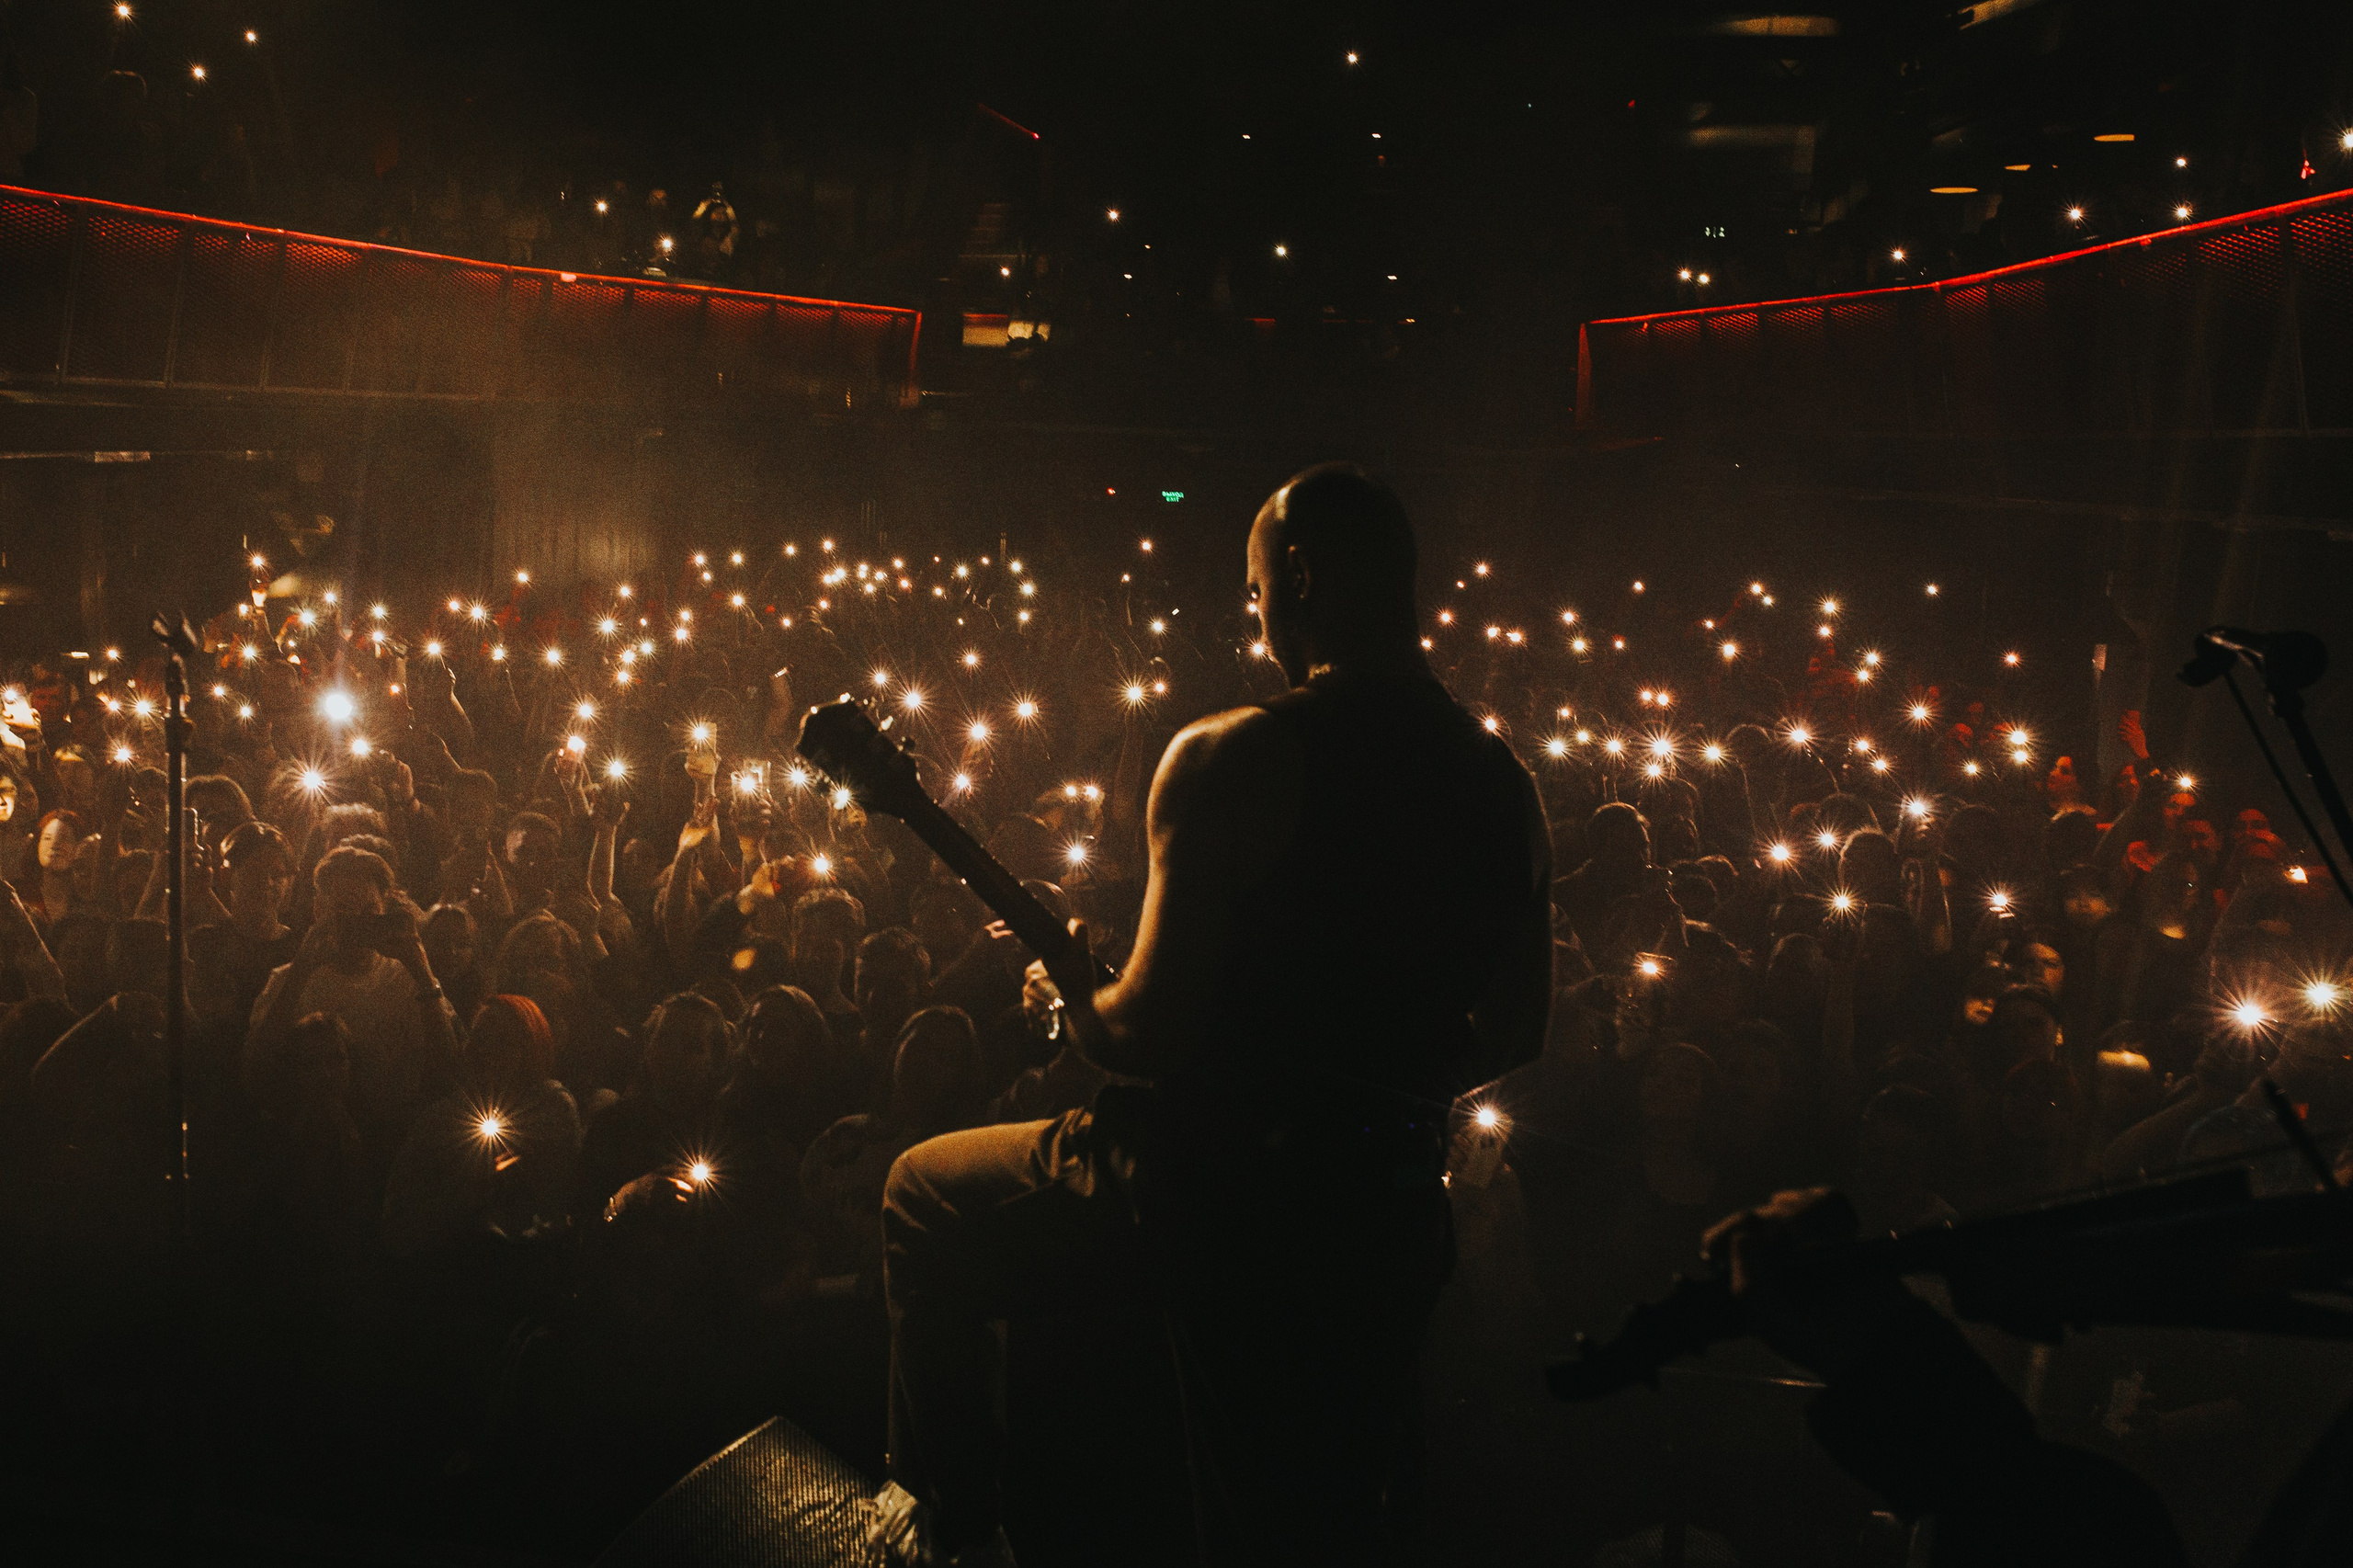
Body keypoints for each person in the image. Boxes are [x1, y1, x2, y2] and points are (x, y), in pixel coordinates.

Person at [871, 465, 1552, 1566]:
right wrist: (1377, 1089)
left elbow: (1146, 1034)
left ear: (1299, 575)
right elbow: (1520, 1030)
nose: (1256, 618)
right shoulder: (1501, 780)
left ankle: (953, 1530)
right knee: (1325, 1511)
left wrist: (1075, 1005)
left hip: (1213, 1188)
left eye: (1253, 591)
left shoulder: (1233, 753)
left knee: (921, 1195)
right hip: (1388, 1209)